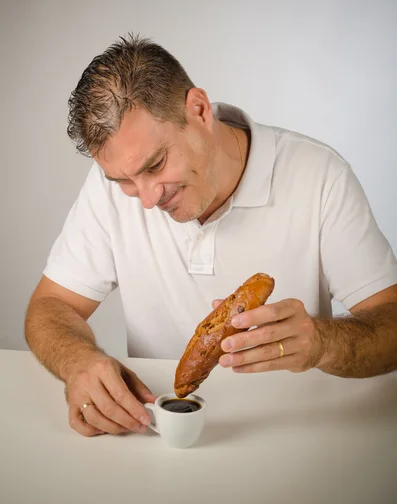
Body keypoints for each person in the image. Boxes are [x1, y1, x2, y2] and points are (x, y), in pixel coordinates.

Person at [25, 34, 397, 438]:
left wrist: (323, 342)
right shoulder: (110, 189)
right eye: (124, 181)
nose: (146, 199)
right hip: (160, 442)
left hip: (298, 438)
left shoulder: (319, 176)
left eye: (157, 164)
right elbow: (50, 305)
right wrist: (77, 361)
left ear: (199, 110)